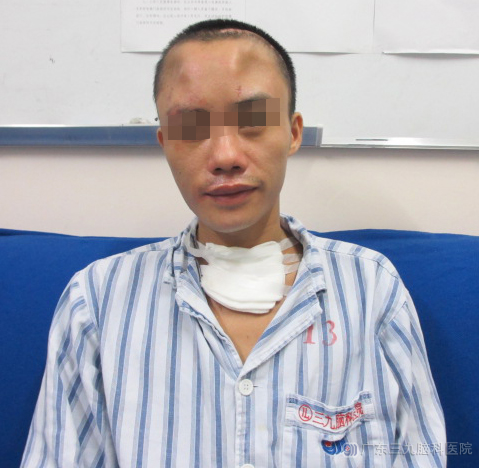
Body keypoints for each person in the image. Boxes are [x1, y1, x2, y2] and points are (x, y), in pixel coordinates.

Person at [21, 19, 446, 467]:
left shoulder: (371, 290)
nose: (225, 157)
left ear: (293, 133)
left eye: (252, 121)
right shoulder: (96, 302)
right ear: (164, 143)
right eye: (190, 127)